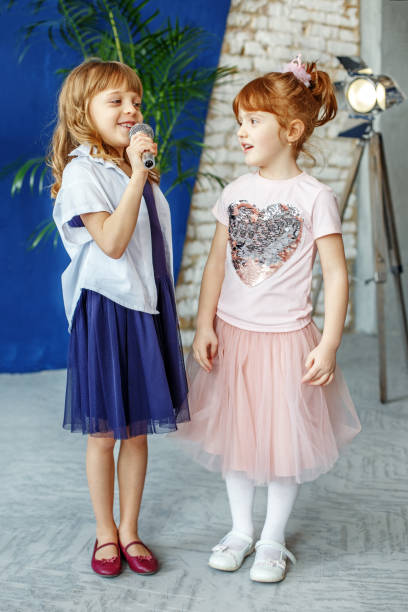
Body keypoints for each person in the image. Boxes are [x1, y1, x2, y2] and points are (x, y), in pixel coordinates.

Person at [174, 55, 361, 583]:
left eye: (254, 120)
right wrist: (204, 324)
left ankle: (273, 540)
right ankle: (240, 530)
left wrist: (327, 344)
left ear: (292, 130)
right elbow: (216, 263)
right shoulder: (235, 193)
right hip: (233, 336)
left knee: (282, 443)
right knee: (236, 437)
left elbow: (337, 276)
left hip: (286, 341)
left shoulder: (313, 197)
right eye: (240, 120)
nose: (242, 131)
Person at [51, 58, 189, 578]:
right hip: (107, 312)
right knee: (105, 433)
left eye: (135, 101)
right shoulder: (84, 172)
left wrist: (139, 174)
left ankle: (131, 529)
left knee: (136, 432)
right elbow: (111, 243)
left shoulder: (137, 173)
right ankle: (105, 532)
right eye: (116, 102)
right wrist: (136, 175)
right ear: (83, 112)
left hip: (145, 305)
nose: (131, 110)